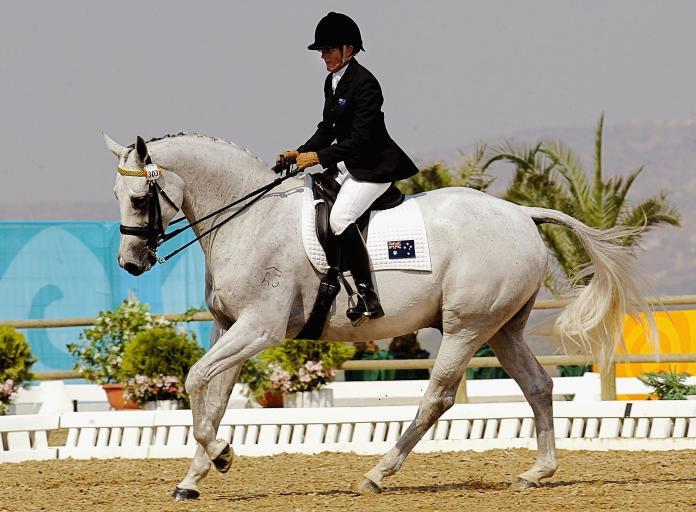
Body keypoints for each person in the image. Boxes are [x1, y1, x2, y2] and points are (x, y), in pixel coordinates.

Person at [277, 12, 419, 326]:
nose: (323, 55)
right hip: (350, 165)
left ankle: (368, 294)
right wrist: (298, 152)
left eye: (329, 49)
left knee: (340, 217)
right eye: (321, 51)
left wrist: (317, 157)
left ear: (348, 50)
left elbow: (360, 139)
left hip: (374, 167)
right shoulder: (333, 81)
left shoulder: (366, 83)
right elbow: (327, 128)